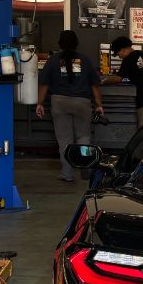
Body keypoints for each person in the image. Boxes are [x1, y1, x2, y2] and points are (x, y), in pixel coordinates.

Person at [36, 30, 104, 182]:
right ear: (76, 43)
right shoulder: (85, 60)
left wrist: (39, 103)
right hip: (82, 102)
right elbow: (95, 86)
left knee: (64, 140)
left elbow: (44, 84)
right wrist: (99, 105)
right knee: (84, 136)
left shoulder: (53, 60)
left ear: (59, 43)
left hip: (59, 102)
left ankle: (67, 174)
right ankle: (85, 170)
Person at [106, 36, 143, 128]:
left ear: (122, 49)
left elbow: (118, 79)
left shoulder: (128, 60)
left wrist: (103, 81)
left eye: (118, 53)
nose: (119, 56)